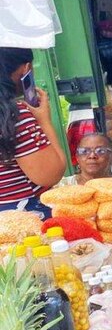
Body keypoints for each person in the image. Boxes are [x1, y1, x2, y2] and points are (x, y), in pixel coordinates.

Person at [0, 47, 66, 215]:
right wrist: (45, 121)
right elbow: (50, 175)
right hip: (20, 217)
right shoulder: (14, 114)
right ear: (26, 69)